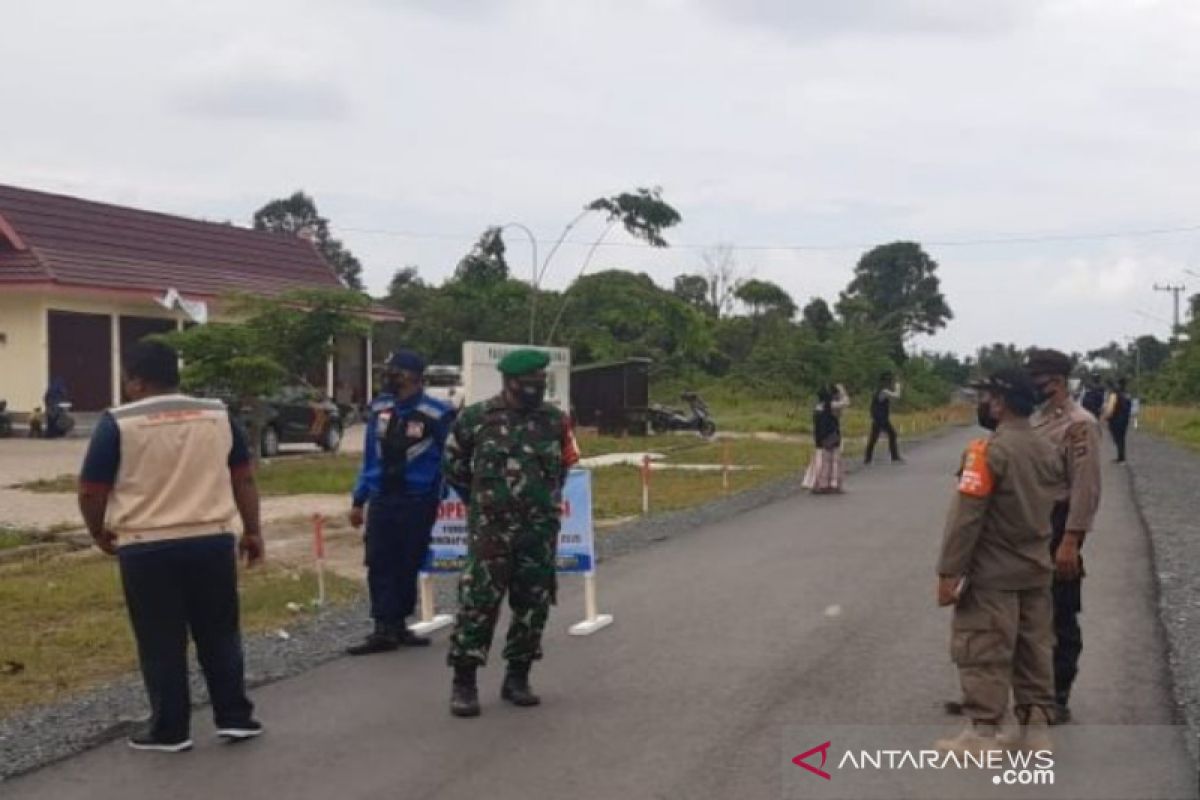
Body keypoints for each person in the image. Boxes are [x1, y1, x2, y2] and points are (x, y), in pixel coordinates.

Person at [76, 341, 264, 753]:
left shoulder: (118, 422)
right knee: (219, 632)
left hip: (148, 545)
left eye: (127, 379)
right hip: (212, 539)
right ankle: (235, 717)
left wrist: (97, 531)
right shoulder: (217, 414)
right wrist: (253, 530)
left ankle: (170, 729)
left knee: (161, 640)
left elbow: (92, 491)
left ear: (137, 381)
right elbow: (244, 478)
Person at [443, 349, 580, 718]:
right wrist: (483, 503)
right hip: (491, 531)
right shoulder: (477, 418)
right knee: (479, 603)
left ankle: (518, 677)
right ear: (510, 382)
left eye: (541, 382)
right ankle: (465, 682)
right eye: (530, 383)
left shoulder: (555, 420)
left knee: (532, 605)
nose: (537, 389)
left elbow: (565, 467)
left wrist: (541, 501)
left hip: (538, 531)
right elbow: (454, 466)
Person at [935, 369, 1066, 755]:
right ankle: (1035, 729)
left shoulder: (988, 452)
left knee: (983, 649)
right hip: (1035, 568)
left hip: (993, 572)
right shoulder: (1047, 448)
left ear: (1000, 401)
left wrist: (949, 571)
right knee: (1034, 648)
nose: (983, 403)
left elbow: (966, 518)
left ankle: (982, 733)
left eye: (987, 396)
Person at [346, 350, 455, 655]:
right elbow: (369, 455)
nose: (389, 376)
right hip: (382, 497)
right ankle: (382, 626)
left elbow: (452, 456)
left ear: (414, 377)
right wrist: (359, 498)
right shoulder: (380, 407)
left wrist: (444, 489)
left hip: (418, 500)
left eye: (396, 371)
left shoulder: (438, 413)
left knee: (409, 560)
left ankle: (399, 623)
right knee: (379, 560)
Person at [1025, 349, 1102, 724]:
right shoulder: (1035, 419)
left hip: (1059, 526)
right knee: (1029, 614)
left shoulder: (1079, 423)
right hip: (1029, 525)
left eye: (1036, 380)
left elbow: (1085, 488)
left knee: (1060, 614)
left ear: (1054, 381)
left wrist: (1071, 541)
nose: (1032, 387)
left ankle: (1058, 695)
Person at [803, 384, 849, 495]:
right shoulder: (831, 405)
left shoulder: (818, 406)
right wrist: (843, 391)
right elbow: (846, 403)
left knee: (819, 461)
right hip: (831, 436)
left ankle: (818, 484)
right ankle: (832, 484)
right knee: (834, 461)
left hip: (819, 437)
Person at [864, 372, 904, 464]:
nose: (890, 383)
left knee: (874, 438)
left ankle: (868, 458)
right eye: (890, 381)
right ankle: (895, 457)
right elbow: (897, 396)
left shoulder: (879, 390)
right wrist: (898, 385)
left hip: (877, 417)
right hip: (881, 418)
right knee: (892, 434)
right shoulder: (883, 391)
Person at [1102, 378, 1133, 463]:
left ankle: (1121, 457)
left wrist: (1106, 417)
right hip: (1125, 419)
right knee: (1121, 438)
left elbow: (1111, 408)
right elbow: (1130, 406)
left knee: (1117, 438)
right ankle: (1121, 456)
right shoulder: (1127, 394)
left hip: (1116, 419)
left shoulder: (1114, 394)